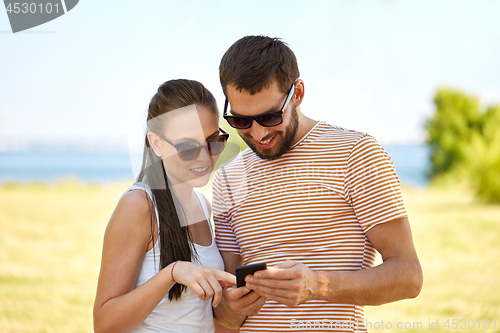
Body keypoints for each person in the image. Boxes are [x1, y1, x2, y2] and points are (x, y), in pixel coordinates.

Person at [212, 36, 423, 332]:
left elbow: (408, 276)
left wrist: (319, 285)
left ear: (297, 93)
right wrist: (228, 308)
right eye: (242, 121)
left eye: (270, 116)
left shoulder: (356, 153)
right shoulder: (227, 178)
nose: (258, 134)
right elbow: (226, 306)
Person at [93, 79, 236, 333]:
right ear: (157, 144)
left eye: (213, 141)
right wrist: (173, 273)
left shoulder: (202, 205)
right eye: (188, 147)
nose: (205, 157)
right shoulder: (139, 206)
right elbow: (105, 324)